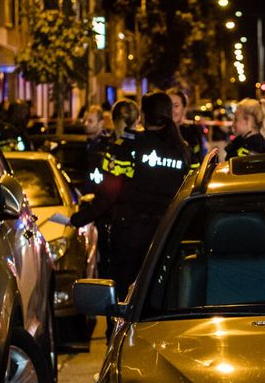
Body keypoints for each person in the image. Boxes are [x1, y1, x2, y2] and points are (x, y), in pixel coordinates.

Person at [61, 94, 189, 293]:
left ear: (144, 116)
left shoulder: (126, 146)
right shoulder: (182, 150)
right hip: (167, 235)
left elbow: (107, 194)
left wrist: (77, 219)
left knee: (125, 295)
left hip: (130, 235)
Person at [167, 88, 207, 167]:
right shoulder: (157, 133)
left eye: (176, 106)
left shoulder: (192, 134)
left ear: (184, 109)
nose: (172, 110)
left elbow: (199, 160)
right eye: (169, 106)